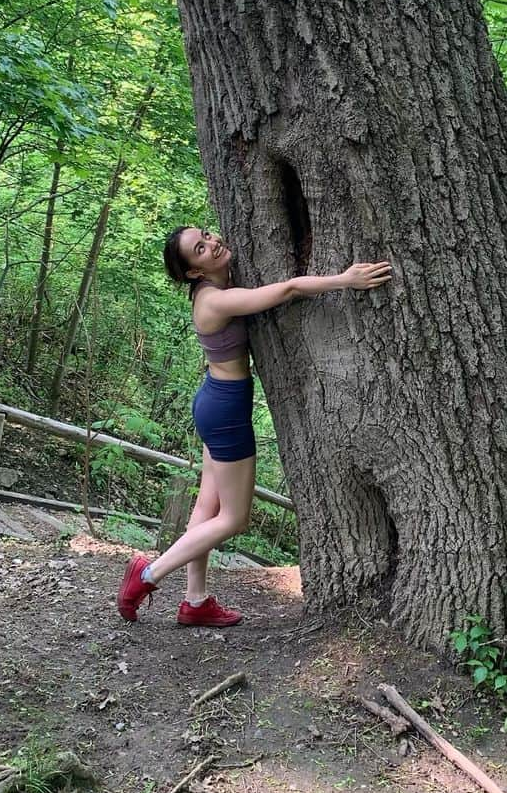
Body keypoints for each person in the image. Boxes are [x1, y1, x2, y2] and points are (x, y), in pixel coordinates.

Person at [117, 226, 391, 627]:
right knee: (234, 518)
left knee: (207, 507)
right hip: (225, 413)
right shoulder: (215, 300)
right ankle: (146, 575)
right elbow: (287, 290)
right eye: (200, 248)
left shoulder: (213, 291)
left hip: (215, 402)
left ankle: (195, 602)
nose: (212, 243)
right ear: (194, 272)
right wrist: (344, 280)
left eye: (207, 235)